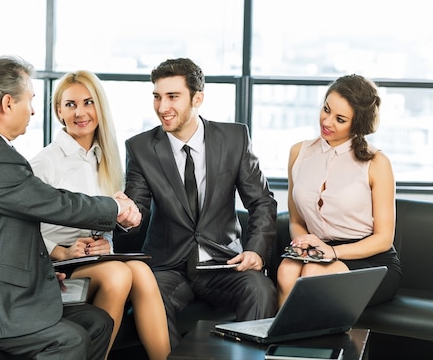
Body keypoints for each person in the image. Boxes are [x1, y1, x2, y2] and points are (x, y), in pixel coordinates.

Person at [0, 56, 141, 360]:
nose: (33, 110)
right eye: (30, 100)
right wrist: (114, 207)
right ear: (8, 103)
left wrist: (42, 271)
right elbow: (57, 203)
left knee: (98, 323)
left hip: (5, 287)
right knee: (70, 340)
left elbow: (14, 226)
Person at [124, 57, 278, 348]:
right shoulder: (140, 147)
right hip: (168, 267)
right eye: (157, 97)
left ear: (198, 98)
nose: (162, 107)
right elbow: (138, 208)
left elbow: (262, 202)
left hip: (223, 263)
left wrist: (256, 251)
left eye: (172, 97)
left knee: (261, 290)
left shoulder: (235, 138)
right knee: (150, 295)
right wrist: (125, 215)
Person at [30, 70, 170, 360]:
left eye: (88, 102)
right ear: (59, 112)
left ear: (99, 108)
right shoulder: (44, 163)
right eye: (70, 104)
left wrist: (107, 242)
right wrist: (62, 251)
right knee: (118, 274)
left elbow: (102, 224)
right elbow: (21, 230)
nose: (80, 112)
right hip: (55, 269)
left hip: (92, 261)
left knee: (141, 272)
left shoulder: (105, 161)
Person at [277, 74, 402, 308]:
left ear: (358, 124)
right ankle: (277, 341)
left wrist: (332, 252)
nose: (327, 121)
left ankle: (314, 344)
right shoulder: (299, 153)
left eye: (340, 119)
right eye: (326, 109)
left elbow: (383, 239)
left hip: (370, 260)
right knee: (286, 271)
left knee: (313, 275)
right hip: (317, 249)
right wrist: (303, 243)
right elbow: (296, 220)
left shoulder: (377, 162)